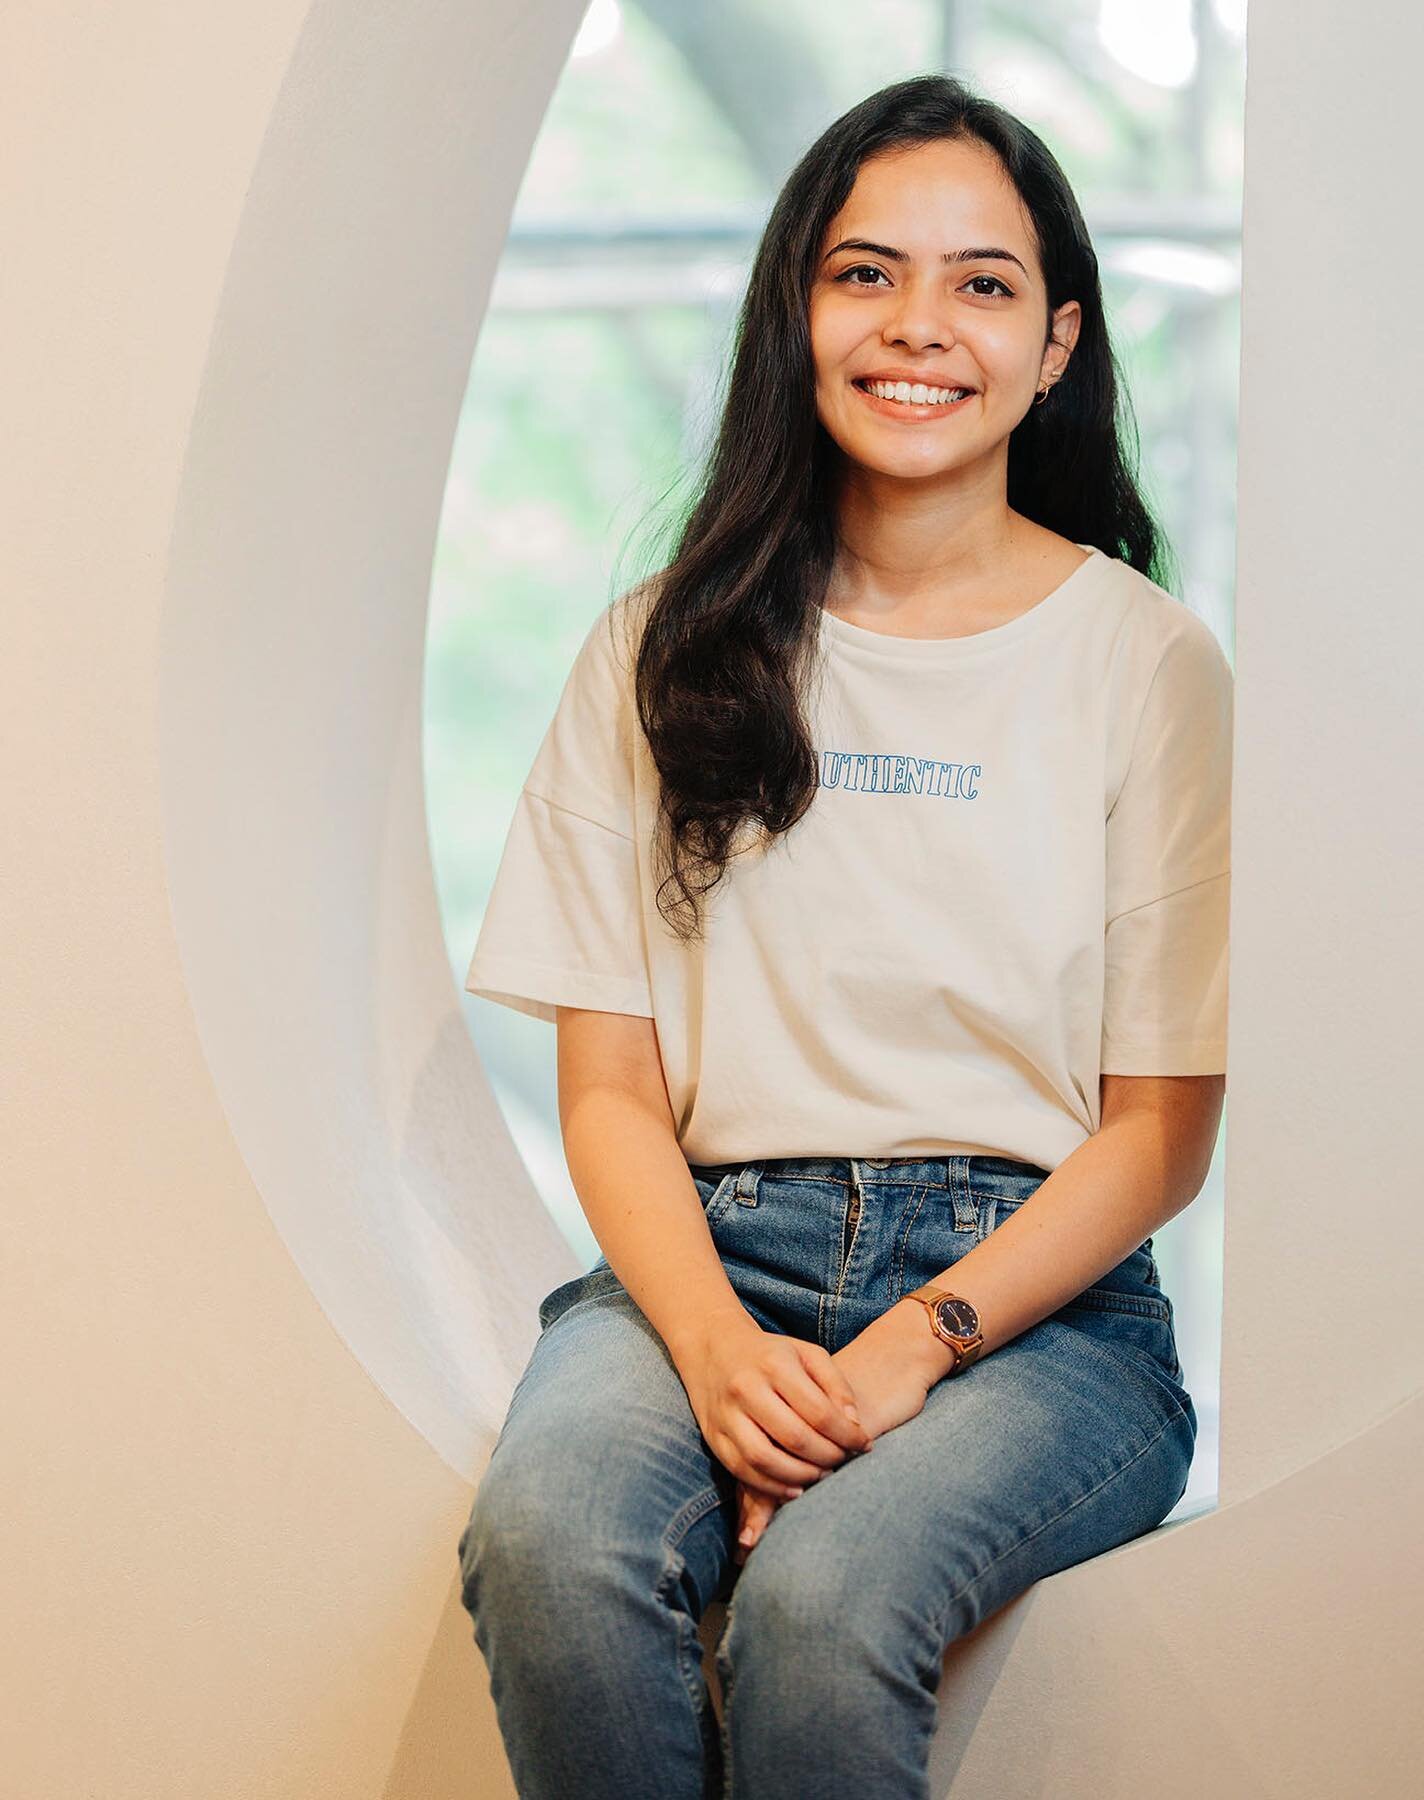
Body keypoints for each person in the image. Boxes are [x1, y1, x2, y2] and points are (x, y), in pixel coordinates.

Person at [456, 70, 1230, 1800]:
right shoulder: (657, 648)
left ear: (1056, 347)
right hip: (700, 1262)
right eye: (865, 272)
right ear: (797, 310)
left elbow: (1163, 1133)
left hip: (1043, 1308)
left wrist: (905, 1352)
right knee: (555, 1548)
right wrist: (725, 1359)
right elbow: (608, 1094)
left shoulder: (1149, 664)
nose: (919, 326)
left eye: (983, 283)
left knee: (821, 1604)